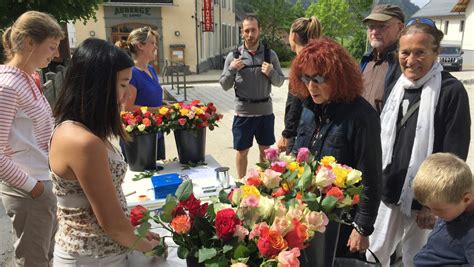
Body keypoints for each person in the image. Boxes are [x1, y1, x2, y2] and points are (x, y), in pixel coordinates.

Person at [367, 18, 471, 267]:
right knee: (374, 252)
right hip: (389, 189)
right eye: (405, 52)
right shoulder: (397, 86)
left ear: (437, 52)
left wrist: (431, 204)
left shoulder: (451, 91)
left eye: (420, 52)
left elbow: (454, 154)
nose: (411, 60)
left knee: (419, 258)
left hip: (427, 200)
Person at [49, 38, 161, 266]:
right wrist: (150, 248)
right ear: (99, 85)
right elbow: (111, 224)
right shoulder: (83, 142)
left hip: (104, 251)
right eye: (122, 84)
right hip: (93, 257)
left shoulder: (80, 129)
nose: (127, 95)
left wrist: (136, 232)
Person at [289, 37, 382, 267]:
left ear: (339, 78)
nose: (311, 87)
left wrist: (362, 228)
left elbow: (371, 177)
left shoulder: (362, 116)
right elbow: (297, 153)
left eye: (319, 79)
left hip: (340, 222)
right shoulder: (308, 107)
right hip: (306, 213)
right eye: (306, 78)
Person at [0, 11, 64, 266]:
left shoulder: (28, 79)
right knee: (35, 261)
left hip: (42, 183)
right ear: (29, 43)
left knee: (46, 256)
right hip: (29, 190)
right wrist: (34, 188)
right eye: (51, 47)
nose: (56, 55)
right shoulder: (7, 87)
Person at [219, 15, 285, 178]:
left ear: (259, 31)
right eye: (247, 30)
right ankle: (241, 184)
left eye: (253, 30)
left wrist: (271, 72)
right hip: (244, 113)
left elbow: (280, 82)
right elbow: (224, 85)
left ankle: (266, 184)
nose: (250, 34)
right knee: (242, 152)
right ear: (242, 32)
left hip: (265, 113)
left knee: (266, 151)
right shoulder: (233, 56)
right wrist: (232, 70)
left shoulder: (270, 55)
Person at [411, 153, 474, 266]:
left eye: (439, 210)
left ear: (466, 199)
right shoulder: (453, 207)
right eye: (430, 208)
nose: (434, 213)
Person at [117, 26, 166, 160]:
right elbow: (127, 108)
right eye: (152, 43)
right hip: (139, 137)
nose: (155, 47)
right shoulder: (132, 73)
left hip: (155, 132)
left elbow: (150, 98)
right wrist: (158, 110)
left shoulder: (150, 69)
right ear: (140, 46)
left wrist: (168, 105)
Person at [276, 16, 322, 154]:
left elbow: (295, 103)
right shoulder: (316, 60)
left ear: (294, 36)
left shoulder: (301, 63)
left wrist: (287, 134)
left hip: (301, 132)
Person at [361, 4, 405, 113]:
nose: (374, 32)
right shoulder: (366, 60)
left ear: (400, 28)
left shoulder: (405, 63)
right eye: (371, 26)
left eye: (382, 26)